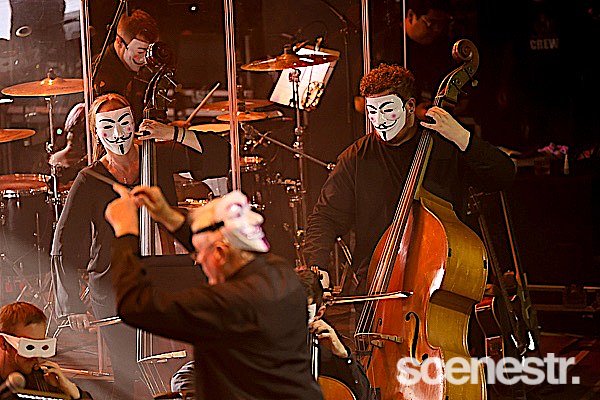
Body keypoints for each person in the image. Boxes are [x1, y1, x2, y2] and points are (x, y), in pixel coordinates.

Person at [50, 93, 229, 399]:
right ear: (96, 132)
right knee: (126, 372)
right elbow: (64, 242)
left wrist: (173, 133)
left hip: (168, 270)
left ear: (134, 122)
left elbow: (219, 156)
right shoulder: (90, 178)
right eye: (108, 127)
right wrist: (72, 305)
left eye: (124, 123)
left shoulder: (157, 154)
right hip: (115, 280)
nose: (118, 133)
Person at [304, 64, 515, 314]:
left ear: (410, 106)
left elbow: (503, 175)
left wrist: (461, 136)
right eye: (372, 112)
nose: (380, 121)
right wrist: (318, 266)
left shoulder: (443, 147)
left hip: (438, 291)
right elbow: (326, 217)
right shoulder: (356, 157)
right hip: (376, 288)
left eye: (388, 110)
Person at [104, 188, 323, 399]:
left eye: (199, 253)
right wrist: (167, 216)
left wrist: (126, 232)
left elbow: (135, 306)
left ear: (219, 253)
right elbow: (217, 242)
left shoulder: (228, 302)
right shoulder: (281, 272)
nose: (197, 260)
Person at [168, 269, 373, 400]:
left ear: (319, 312)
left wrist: (343, 355)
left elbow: (365, 396)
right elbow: (184, 377)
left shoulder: (330, 352)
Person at [0, 302, 93, 399]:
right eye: (30, 347)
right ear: (3, 343)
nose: (36, 357)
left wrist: (70, 390)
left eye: (42, 346)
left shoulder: (43, 378)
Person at [94, 9, 159, 124]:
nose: (145, 60)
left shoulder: (139, 70)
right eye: (140, 52)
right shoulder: (99, 74)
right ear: (119, 42)